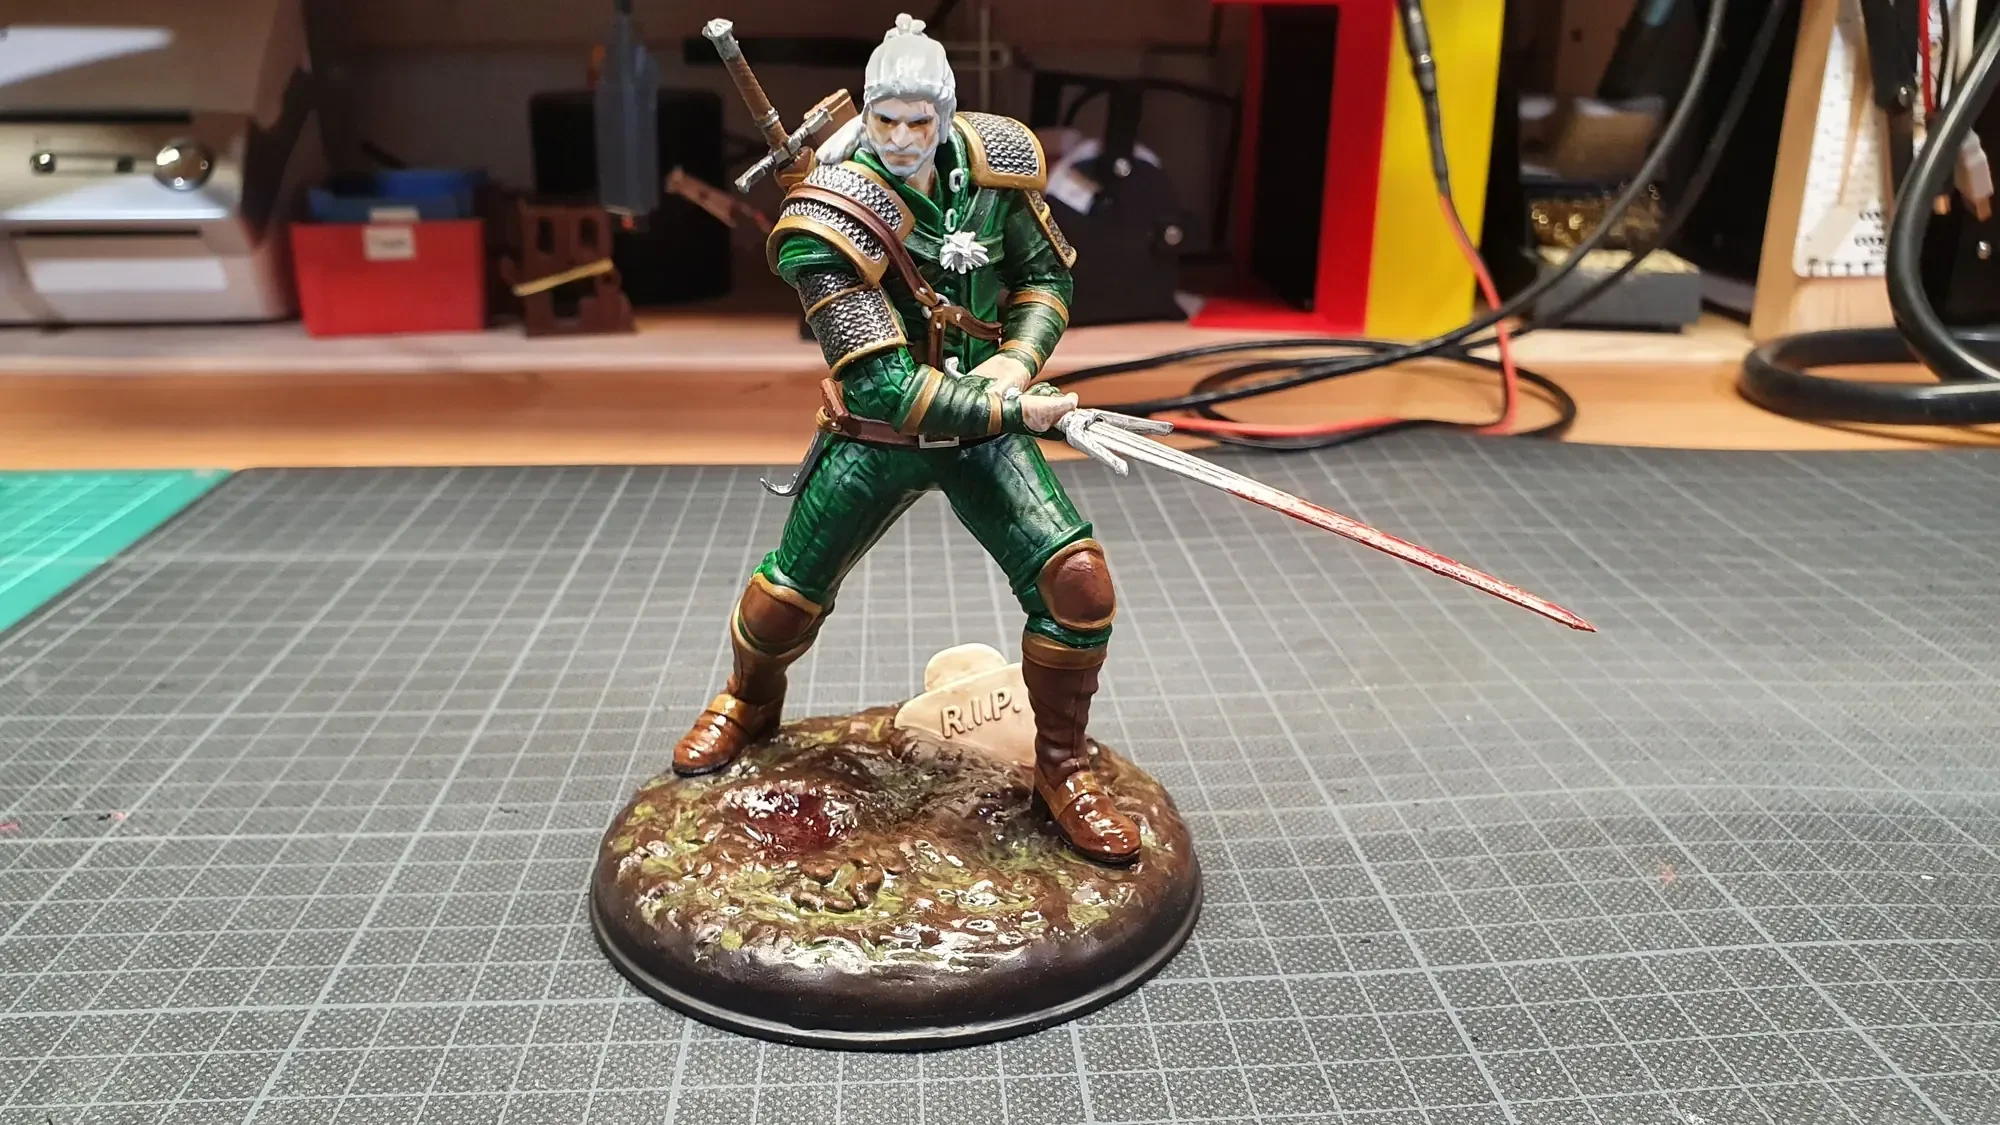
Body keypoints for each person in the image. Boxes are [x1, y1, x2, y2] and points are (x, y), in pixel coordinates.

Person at [672, 13, 1141, 864]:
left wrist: (1017, 360)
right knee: (784, 599)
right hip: (878, 436)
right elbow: (884, 386)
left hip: (983, 432)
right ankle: (748, 701)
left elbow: (1044, 277)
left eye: (917, 121)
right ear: (866, 113)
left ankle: (1062, 766)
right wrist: (1019, 410)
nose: (898, 138)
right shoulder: (828, 216)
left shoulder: (996, 167)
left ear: (945, 113)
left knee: (1077, 586)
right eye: (883, 119)